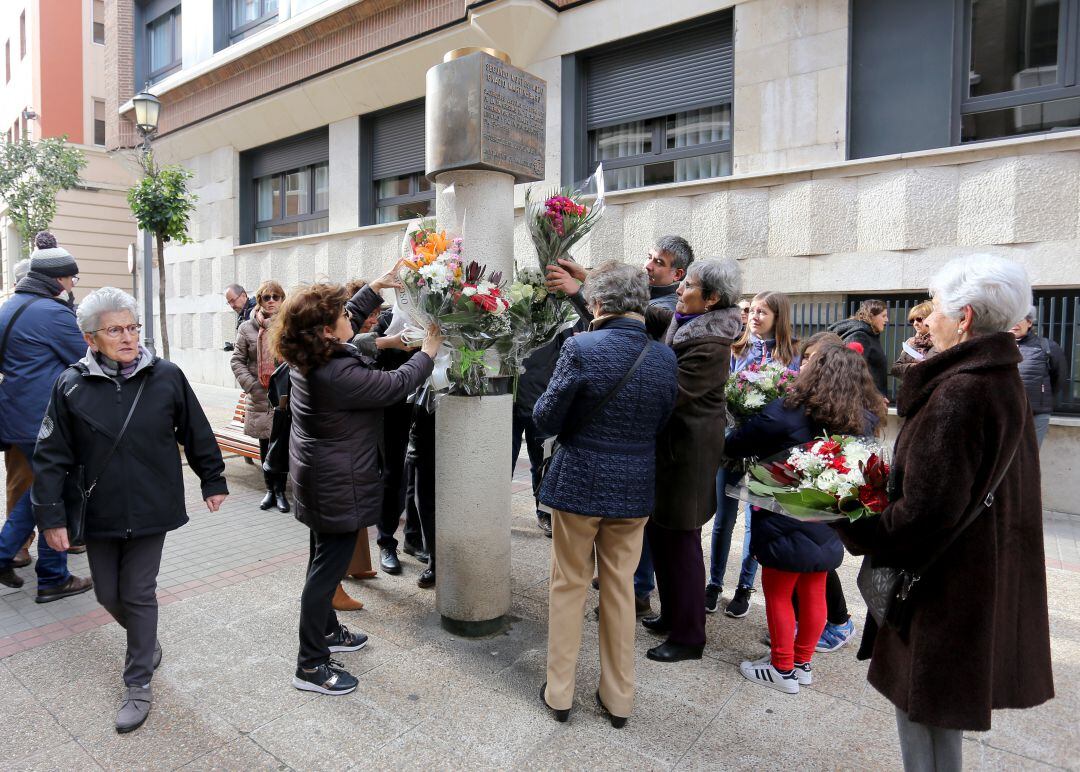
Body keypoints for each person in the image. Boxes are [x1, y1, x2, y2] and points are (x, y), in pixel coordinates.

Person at [837, 254, 1053, 770]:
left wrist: (853, 522)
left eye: (936, 308)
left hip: (941, 590)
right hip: (970, 583)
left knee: (922, 716)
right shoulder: (1000, 379)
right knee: (938, 717)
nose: (927, 318)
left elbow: (923, 515)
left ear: (966, 319)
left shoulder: (960, 390)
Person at [31, 286, 229, 732]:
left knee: (138, 593)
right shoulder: (70, 384)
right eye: (115, 330)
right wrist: (50, 517)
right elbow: (50, 457)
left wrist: (212, 478)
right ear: (90, 338)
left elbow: (195, 429)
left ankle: (138, 681)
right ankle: (145, 640)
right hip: (97, 508)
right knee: (107, 594)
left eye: (133, 327)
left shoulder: (166, 376)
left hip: (151, 504)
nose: (128, 337)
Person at [271, 275, 441, 696]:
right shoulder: (334, 371)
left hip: (317, 475)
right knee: (326, 572)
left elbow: (355, 338)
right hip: (336, 482)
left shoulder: (310, 352)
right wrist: (429, 352)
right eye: (343, 315)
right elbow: (395, 385)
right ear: (327, 330)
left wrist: (377, 287)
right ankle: (310, 665)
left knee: (320, 561)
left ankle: (328, 633)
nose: (352, 318)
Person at [534, 261, 678, 726]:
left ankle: (559, 693)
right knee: (619, 590)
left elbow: (545, 418)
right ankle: (618, 699)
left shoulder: (580, 346)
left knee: (569, 585)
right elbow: (661, 423)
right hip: (634, 485)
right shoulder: (664, 357)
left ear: (597, 302)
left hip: (579, 480)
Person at [725, 340, 884, 693]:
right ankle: (802, 663)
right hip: (829, 514)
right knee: (815, 585)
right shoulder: (865, 418)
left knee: (779, 592)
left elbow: (737, 442)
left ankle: (782, 668)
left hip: (784, 509)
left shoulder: (788, 411)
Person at [642, 258, 742, 663]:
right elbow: (642, 309)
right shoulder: (685, 322)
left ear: (713, 298)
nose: (680, 289)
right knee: (663, 536)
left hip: (688, 455)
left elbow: (673, 391)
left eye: (690, 285)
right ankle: (673, 616)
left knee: (681, 543)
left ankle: (689, 636)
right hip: (672, 452)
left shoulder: (710, 343)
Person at [0, 232, 93, 599]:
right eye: (71, 278)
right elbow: (85, 360)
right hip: (46, 420)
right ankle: (53, 578)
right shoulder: (53, 313)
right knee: (57, 490)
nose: (72, 285)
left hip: (16, 416)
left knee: (42, 488)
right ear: (57, 279)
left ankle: (9, 553)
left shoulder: (7, 308)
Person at [707, 291, 799, 619]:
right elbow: (722, 392)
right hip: (732, 445)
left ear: (779, 317)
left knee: (754, 523)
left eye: (763, 312)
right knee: (724, 519)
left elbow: (791, 403)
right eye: (754, 311)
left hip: (768, 453)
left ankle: (745, 586)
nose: (755, 317)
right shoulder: (737, 348)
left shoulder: (792, 357)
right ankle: (714, 583)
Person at [231, 280, 289, 513]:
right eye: (267, 297)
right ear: (260, 300)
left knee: (282, 443)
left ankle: (281, 492)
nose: (272, 301)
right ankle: (269, 490)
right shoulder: (247, 327)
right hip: (260, 394)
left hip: (285, 394)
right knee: (266, 443)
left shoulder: (290, 325)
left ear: (283, 299)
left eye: (276, 296)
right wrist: (252, 385)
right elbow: (237, 360)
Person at [1011, 306, 1066, 447]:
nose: (1014, 324)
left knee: (1030, 458)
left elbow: (1059, 377)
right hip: (1006, 414)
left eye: (1020, 319)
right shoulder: (996, 348)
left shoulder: (1047, 347)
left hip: (1036, 414)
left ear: (1029, 322)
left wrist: (1042, 398)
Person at [829, 299, 889, 397]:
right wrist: (875, 397)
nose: (887, 319)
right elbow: (853, 371)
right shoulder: (859, 336)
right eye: (883, 316)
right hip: (863, 402)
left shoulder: (870, 335)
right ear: (871, 316)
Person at [890, 301, 935, 382]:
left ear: (930, 318)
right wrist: (915, 367)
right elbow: (895, 369)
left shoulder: (941, 341)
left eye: (919, 319)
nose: (915, 324)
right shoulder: (910, 342)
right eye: (912, 320)